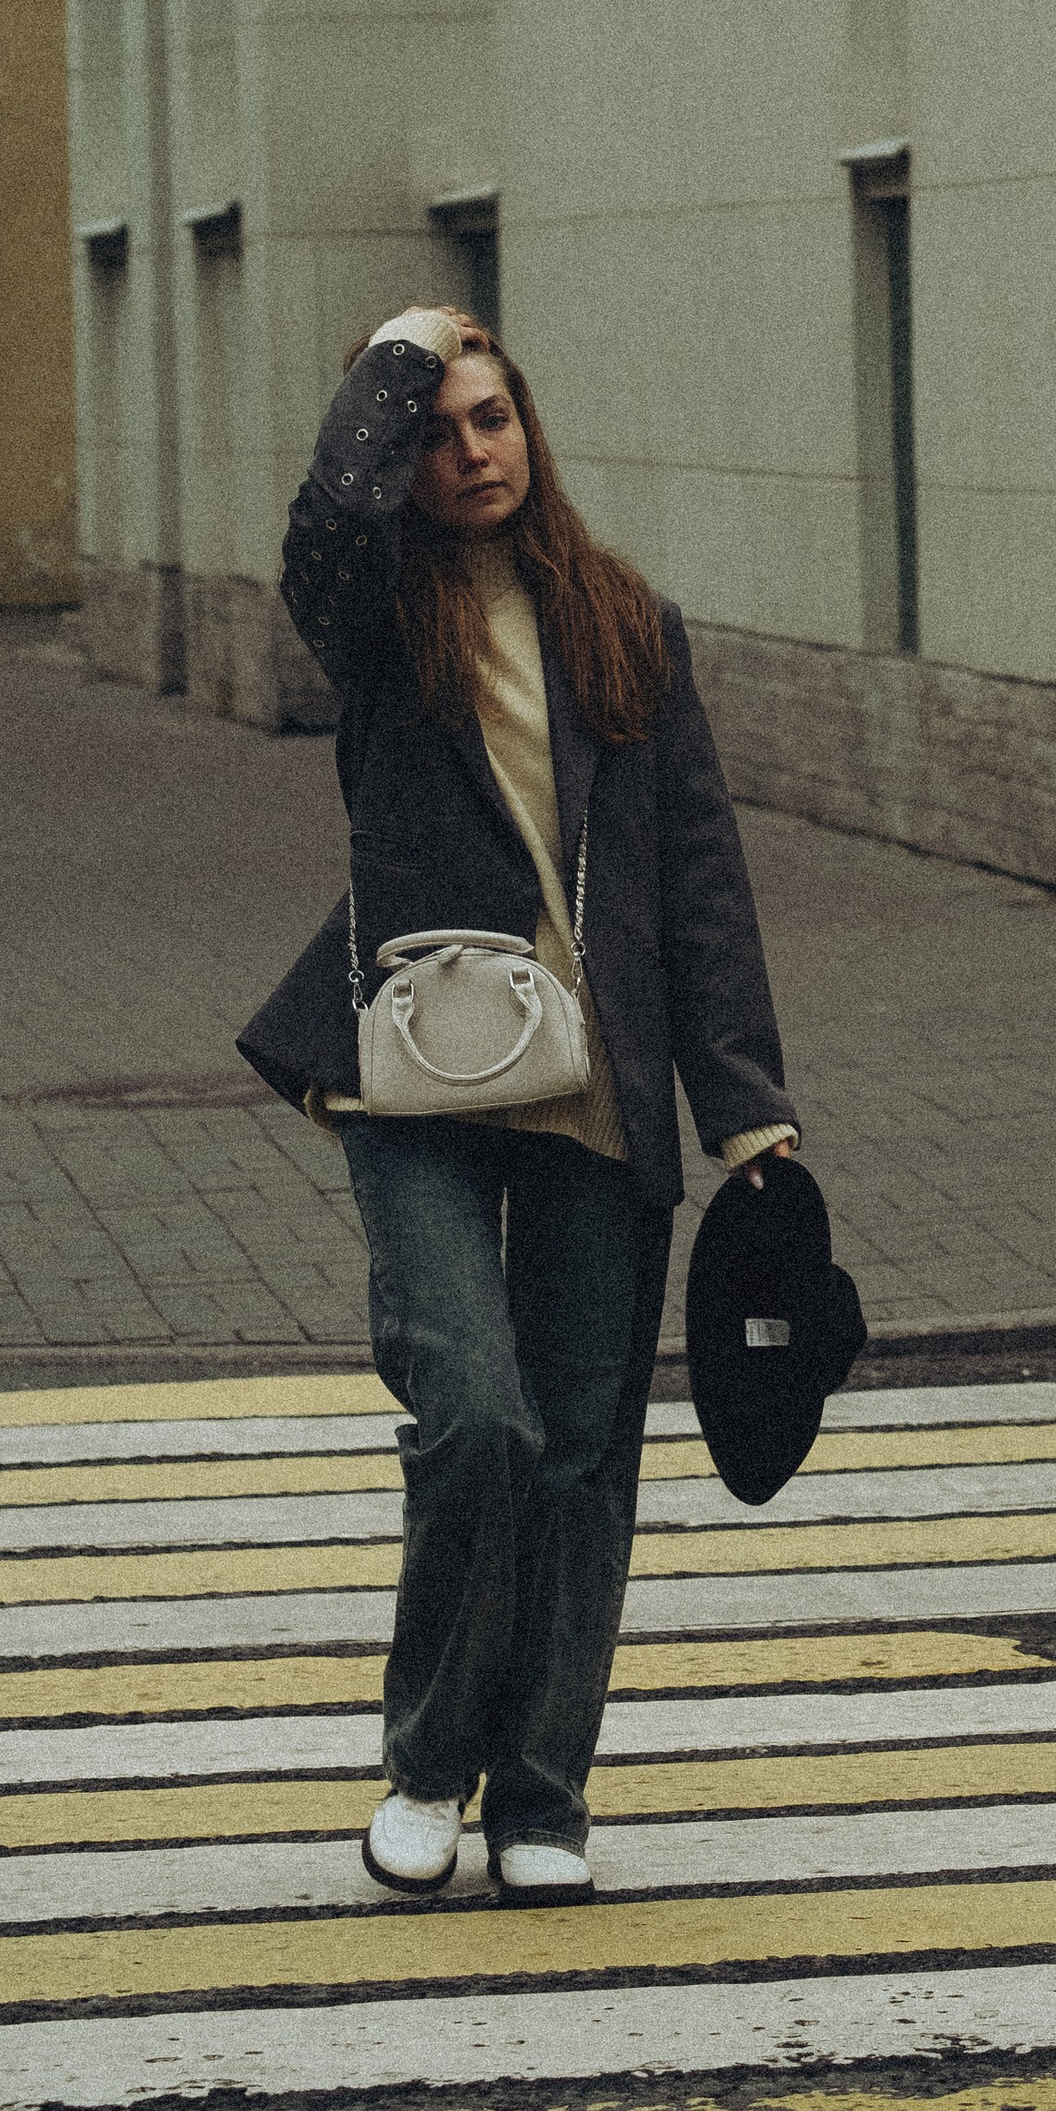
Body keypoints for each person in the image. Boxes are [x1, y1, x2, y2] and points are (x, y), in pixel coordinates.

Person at [238, 305, 797, 1905]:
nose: (467, 452)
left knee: (579, 1458)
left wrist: (746, 1106)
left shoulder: (628, 622)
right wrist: (399, 352)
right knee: (474, 1416)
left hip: (599, 1086)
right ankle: (424, 1763)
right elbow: (322, 523)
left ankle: (540, 1792)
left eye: (490, 418)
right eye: (434, 428)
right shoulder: (376, 620)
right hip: (414, 1074)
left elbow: (700, 879)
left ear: (529, 429)